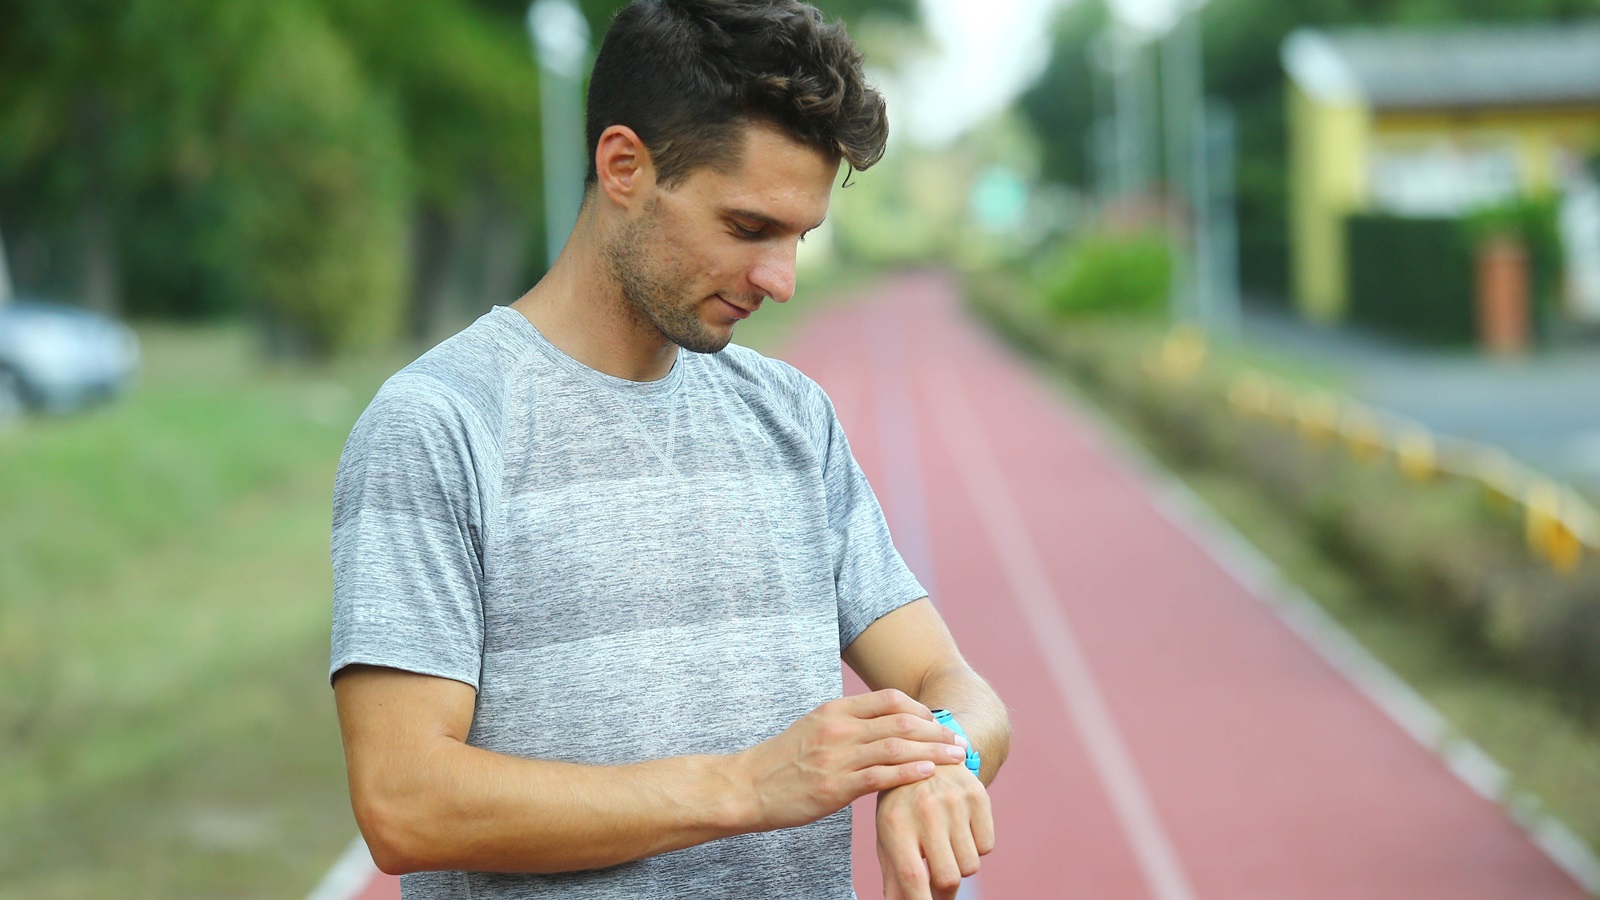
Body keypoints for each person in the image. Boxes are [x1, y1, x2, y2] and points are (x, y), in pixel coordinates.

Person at [329, 1, 1010, 897]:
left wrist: (940, 762)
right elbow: (404, 802)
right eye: (748, 228)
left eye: (798, 237)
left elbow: (952, 682)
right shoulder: (438, 425)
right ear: (623, 166)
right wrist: (740, 786)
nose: (781, 279)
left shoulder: (791, 416)